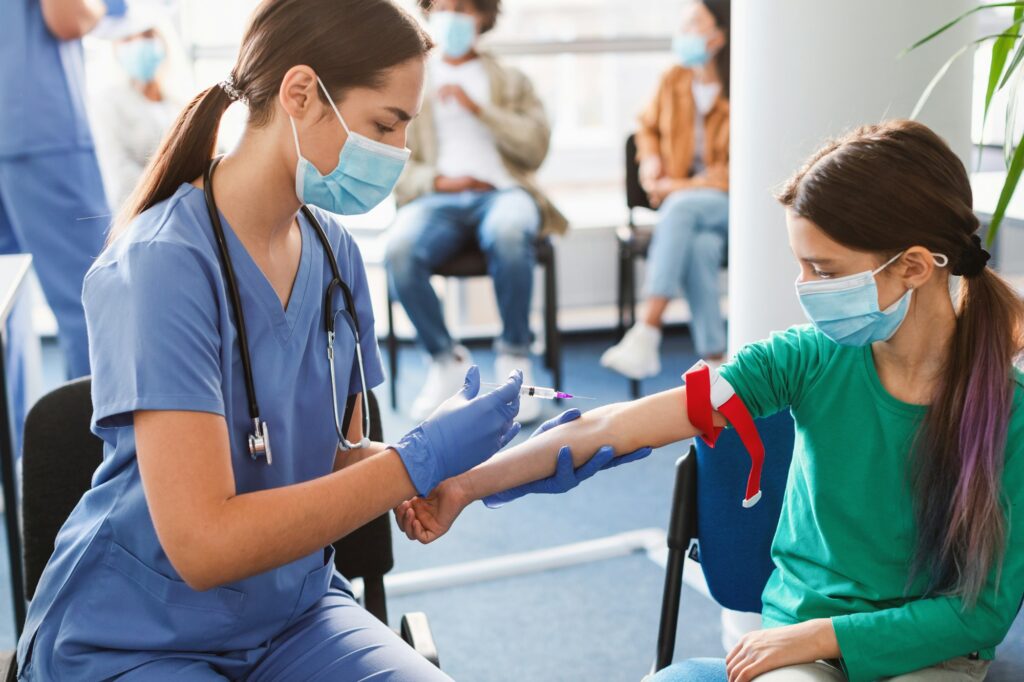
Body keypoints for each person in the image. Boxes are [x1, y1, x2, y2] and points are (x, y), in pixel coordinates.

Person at [16, 1, 628, 679]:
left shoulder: (335, 256)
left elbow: (332, 459)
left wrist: (480, 470)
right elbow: (204, 546)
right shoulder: (162, 264)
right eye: (384, 124)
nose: (398, 154)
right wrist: (416, 460)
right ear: (301, 93)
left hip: (293, 612)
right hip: (139, 634)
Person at [398, 120, 1024, 682]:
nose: (804, 289)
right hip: (799, 650)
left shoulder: (1010, 411)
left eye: (826, 271)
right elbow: (616, 424)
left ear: (913, 266)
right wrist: (465, 485)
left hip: (926, 656)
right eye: (800, 265)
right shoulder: (806, 358)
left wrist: (822, 635)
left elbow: (978, 615)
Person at [385, 0, 566, 424]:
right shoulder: (410, 79)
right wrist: (438, 181)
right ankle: (445, 360)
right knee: (400, 251)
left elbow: (535, 147)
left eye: (463, 7)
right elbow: (391, 158)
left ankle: (514, 358)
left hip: (504, 193)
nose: (452, 16)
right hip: (436, 198)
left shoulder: (509, 80)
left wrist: (479, 108)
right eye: (443, 6)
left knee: (509, 231)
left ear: (483, 16)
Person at [601, 0, 730, 380]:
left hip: (730, 204)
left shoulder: (742, 87)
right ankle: (717, 360)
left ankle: (648, 328)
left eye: (695, 24)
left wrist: (678, 187)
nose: (685, 32)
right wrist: (651, 161)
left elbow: (739, 171)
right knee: (699, 247)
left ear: (719, 36)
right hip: (688, 208)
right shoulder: (674, 78)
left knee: (680, 208)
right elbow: (646, 127)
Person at [0, 0, 123, 380]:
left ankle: (16, 440)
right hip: (39, 124)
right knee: (94, 303)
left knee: (7, 305)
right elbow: (66, 16)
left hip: (15, 120)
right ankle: (93, 441)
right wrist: (107, 9)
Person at [91, 14, 183, 209]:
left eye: (148, 35)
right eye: (128, 39)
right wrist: (183, 195)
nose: (140, 45)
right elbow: (120, 174)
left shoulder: (178, 102)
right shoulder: (108, 103)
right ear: (115, 48)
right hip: (142, 215)